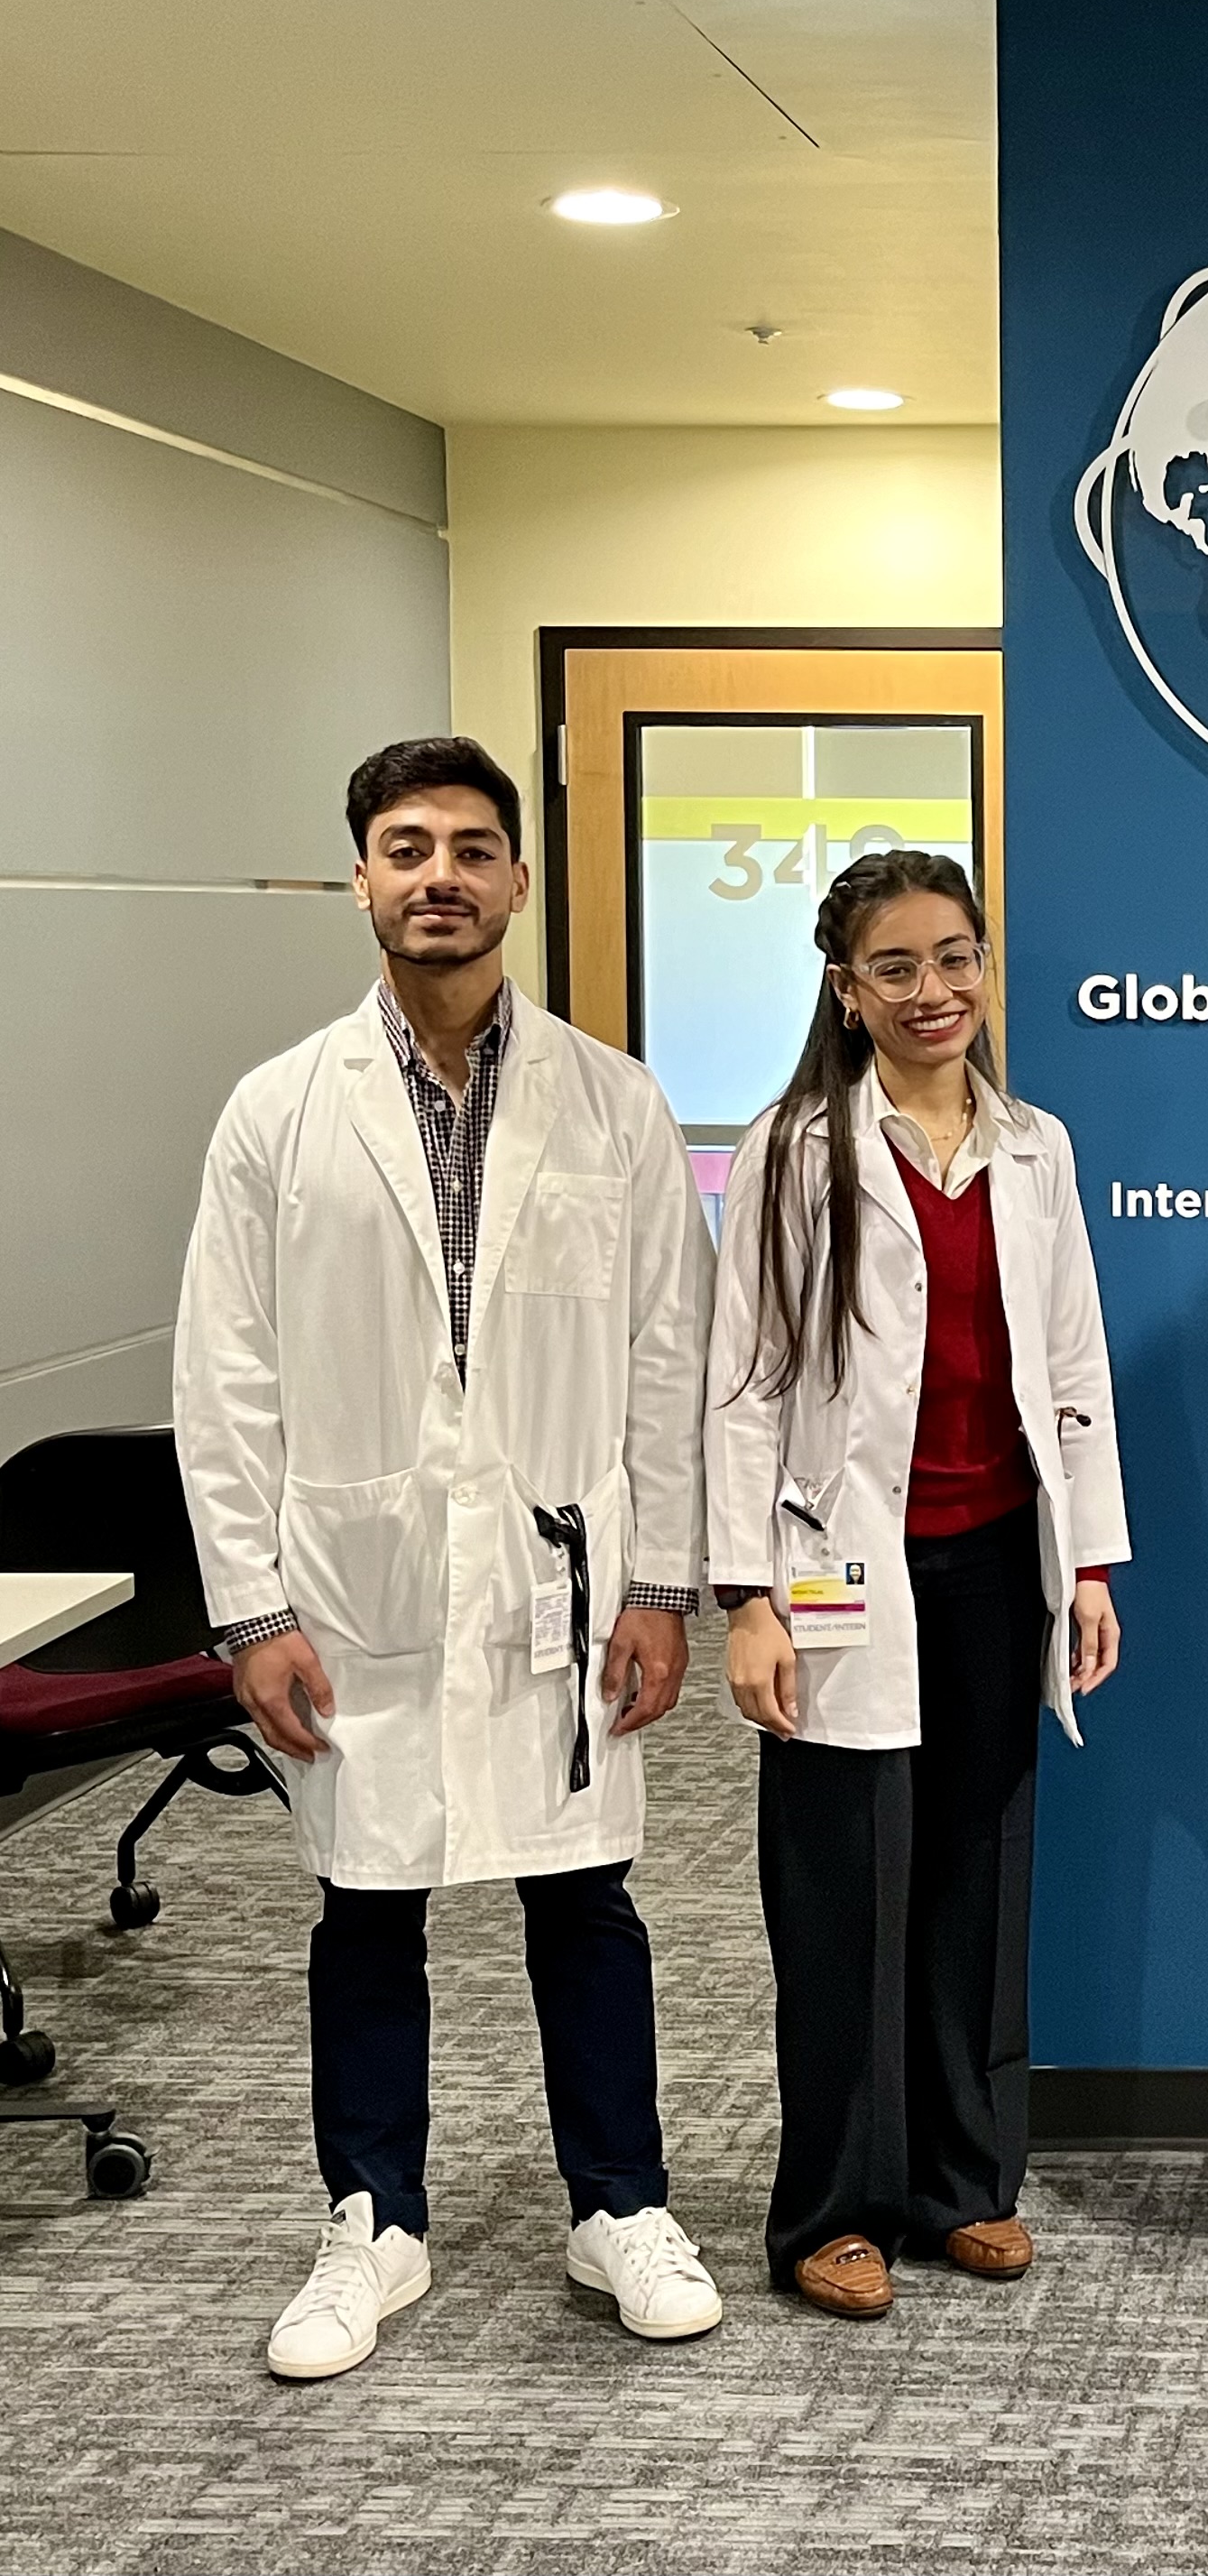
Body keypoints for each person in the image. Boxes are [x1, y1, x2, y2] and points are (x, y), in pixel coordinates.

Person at [176, 734, 722, 2380]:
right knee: (366, 1901)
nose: (441, 876)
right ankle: (372, 2219)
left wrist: (660, 1582)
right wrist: (250, 1608)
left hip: (563, 1572)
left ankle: (618, 2201)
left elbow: (667, 1355)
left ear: (517, 881)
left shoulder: (614, 1101)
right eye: (407, 847)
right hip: (358, 1580)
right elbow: (226, 1372)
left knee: (585, 1892)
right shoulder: (279, 1110)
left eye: (472, 848)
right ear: (360, 876)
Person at [705, 848, 1127, 2320]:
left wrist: (1088, 1560)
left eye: (955, 957)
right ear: (846, 989)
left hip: (998, 1558)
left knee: (974, 1878)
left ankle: (963, 2182)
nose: (933, 989)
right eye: (896, 966)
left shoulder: (1034, 1146)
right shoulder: (796, 1149)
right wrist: (746, 1594)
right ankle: (832, 2206)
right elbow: (744, 1380)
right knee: (843, 1892)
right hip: (839, 1568)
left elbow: (1072, 1361)